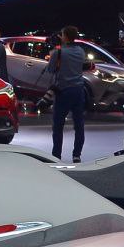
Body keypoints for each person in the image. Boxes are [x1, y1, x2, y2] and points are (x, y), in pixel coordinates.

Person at [44, 26, 94, 162]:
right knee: (79, 125)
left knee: (58, 126)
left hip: (63, 91)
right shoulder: (80, 51)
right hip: (78, 91)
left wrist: (53, 53)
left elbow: (50, 70)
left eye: (61, 34)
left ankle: (56, 156)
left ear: (65, 36)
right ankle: (77, 155)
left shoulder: (58, 52)